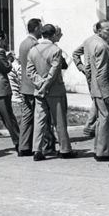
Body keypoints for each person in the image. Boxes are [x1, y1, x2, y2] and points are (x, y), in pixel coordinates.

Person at [27, 24, 76, 161]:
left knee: (39, 121)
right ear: (53, 34)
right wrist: (46, 84)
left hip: (39, 91)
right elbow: (54, 72)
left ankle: (37, 150)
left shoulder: (33, 50)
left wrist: (40, 84)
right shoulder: (56, 50)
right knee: (59, 121)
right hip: (54, 90)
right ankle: (65, 149)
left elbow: (29, 72)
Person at [82, 20, 109, 161]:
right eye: (107, 30)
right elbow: (101, 73)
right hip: (105, 88)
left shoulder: (92, 42)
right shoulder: (102, 45)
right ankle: (103, 152)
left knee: (101, 119)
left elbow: (91, 69)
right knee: (106, 120)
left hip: (97, 88)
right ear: (98, 30)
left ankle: (99, 149)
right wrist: (106, 93)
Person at [17, 18, 43, 157]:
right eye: (40, 28)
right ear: (36, 29)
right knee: (38, 116)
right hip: (33, 85)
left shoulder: (23, 43)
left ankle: (23, 145)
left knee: (27, 116)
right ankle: (35, 145)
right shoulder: (34, 44)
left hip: (25, 85)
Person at [72, 23, 101, 139]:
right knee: (97, 99)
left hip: (92, 73)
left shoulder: (89, 41)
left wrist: (82, 67)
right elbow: (75, 54)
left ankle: (92, 127)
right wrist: (81, 67)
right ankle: (89, 127)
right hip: (94, 73)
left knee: (97, 99)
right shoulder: (91, 41)